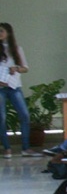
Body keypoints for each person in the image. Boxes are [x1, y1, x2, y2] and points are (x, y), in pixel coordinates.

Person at [0, 22, 41, 158]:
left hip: (14, 86)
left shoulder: (16, 49)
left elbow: (25, 68)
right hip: (0, 87)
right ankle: (7, 148)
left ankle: (25, 148)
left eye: (1, 31)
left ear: (8, 33)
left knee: (24, 115)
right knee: (2, 117)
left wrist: (16, 68)